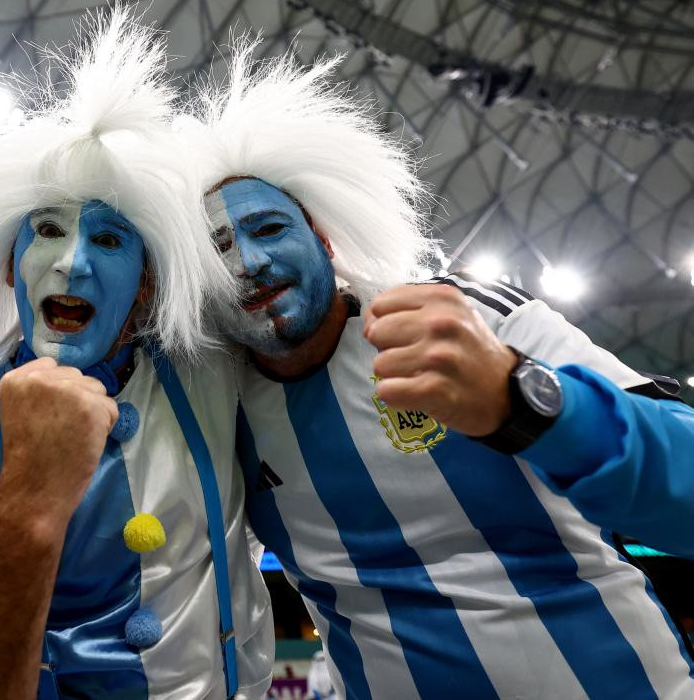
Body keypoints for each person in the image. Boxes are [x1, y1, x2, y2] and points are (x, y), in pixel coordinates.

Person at [189, 44, 694, 698]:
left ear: (324, 238)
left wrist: (524, 401)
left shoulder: (466, 317)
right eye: (217, 247)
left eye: (267, 227)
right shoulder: (212, 400)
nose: (247, 262)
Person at [0, 10, 273, 699]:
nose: (72, 264)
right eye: (47, 230)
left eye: (110, 240)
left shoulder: (209, 369)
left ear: (148, 282)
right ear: (10, 267)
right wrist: (31, 502)